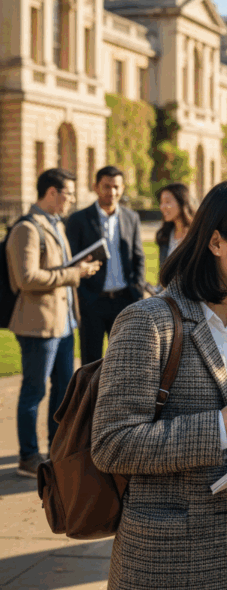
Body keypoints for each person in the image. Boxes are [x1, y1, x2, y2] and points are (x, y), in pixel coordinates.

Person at [91, 179, 227, 590]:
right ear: (216, 242)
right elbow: (111, 443)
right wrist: (222, 427)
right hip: (170, 555)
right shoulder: (147, 322)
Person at [6, 169, 101, 477]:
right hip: (38, 325)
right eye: (68, 193)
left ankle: (55, 451)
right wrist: (76, 274)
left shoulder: (55, 225)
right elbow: (27, 278)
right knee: (34, 391)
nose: (72, 199)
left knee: (62, 391)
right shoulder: (27, 229)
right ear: (51, 192)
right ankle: (28, 456)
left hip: (63, 324)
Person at [65, 165, 146, 365]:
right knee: (91, 362)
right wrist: (83, 295)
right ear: (96, 187)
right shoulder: (78, 219)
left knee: (124, 360)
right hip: (92, 301)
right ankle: (91, 398)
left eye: (116, 187)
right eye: (107, 186)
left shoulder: (131, 217)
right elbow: (71, 260)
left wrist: (136, 291)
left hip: (124, 300)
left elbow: (138, 257)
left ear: (123, 188)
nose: (112, 192)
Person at [156, 182, 196, 267]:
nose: (162, 207)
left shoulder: (197, 234)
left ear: (181, 202)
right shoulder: (164, 235)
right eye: (161, 202)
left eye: (167, 202)